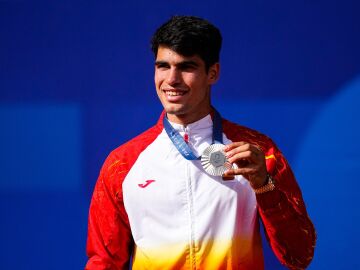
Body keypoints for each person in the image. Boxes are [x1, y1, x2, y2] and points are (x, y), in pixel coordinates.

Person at [85, 15, 316, 270]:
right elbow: (103, 262)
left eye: (186, 67)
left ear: (213, 73)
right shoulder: (122, 164)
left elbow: (299, 254)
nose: (171, 79)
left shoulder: (258, 153)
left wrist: (265, 187)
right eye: (163, 66)